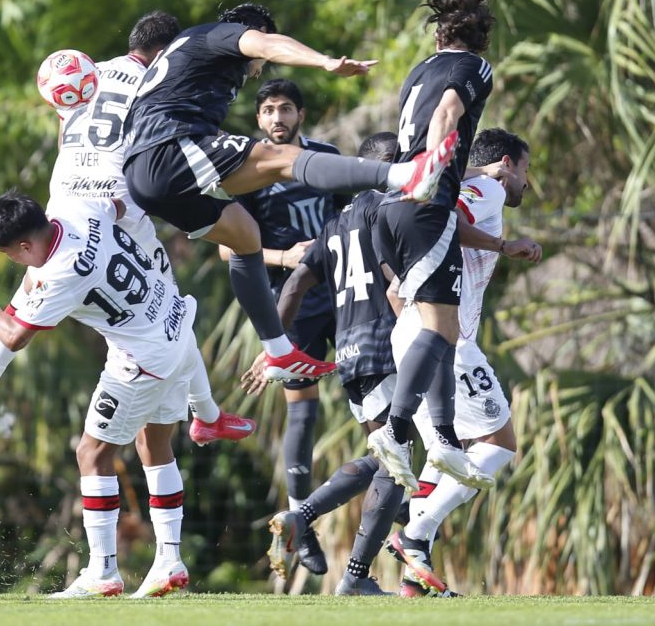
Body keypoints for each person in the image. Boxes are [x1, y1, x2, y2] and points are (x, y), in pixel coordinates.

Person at [123, 2, 460, 386]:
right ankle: (404, 175)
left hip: (143, 174)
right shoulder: (219, 35)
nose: (259, 69)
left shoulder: (189, 60)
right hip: (167, 152)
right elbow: (267, 46)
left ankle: (278, 350)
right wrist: (325, 62)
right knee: (283, 157)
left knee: (244, 236)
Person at [0, 191, 216, 599]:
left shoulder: (62, 272)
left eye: (11, 255)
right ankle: (169, 559)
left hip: (142, 360)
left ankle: (103, 571)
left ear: (25, 246)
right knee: (153, 444)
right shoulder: (74, 207)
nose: (15, 263)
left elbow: (14, 336)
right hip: (176, 327)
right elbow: (123, 205)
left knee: (91, 455)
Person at [45, 9, 256, 445]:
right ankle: (205, 414)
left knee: (165, 311)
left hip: (67, 207)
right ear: (165, 52)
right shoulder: (155, 80)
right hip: (120, 209)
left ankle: (206, 415)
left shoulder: (88, 73)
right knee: (166, 312)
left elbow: (66, 134)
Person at [387, 128, 541, 596]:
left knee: (443, 454)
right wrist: (503, 246)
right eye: (526, 170)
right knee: (500, 443)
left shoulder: (458, 184)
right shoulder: (489, 188)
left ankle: (414, 579)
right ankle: (415, 534)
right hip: (446, 341)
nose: (527, 182)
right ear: (507, 164)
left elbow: (395, 289)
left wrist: (417, 327)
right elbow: (447, 220)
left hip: (411, 336)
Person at [255, 133, 406, 595]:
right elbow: (395, 281)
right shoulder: (386, 208)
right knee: (394, 462)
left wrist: (274, 346)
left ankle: (311, 523)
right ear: (390, 164)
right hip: (385, 346)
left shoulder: (334, 223)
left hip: (349, 352)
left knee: (387, 457)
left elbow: (294, 285)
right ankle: (347, 565)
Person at [368, 0, 499, 495]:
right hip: (426, 205)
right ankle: (397, 431)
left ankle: (443, 439)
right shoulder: (475, 68)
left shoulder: (417, 70)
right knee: (443, 330)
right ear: (480, 37)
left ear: (438, 33)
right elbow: (447, 112)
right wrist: (435, 166)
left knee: (440, 326)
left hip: (393, 207)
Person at [218, 78, 348, 574]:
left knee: (373, 398)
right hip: (292, 301)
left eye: (286, 108)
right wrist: (283, 256)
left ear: (301, 114)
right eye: (269, 109)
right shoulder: (247, 169)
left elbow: (351, 215)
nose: (278, 117)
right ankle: (301, 523)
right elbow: (227, 247)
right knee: (303, 412)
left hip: (344, 291)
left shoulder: (324, 157)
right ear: (258, 119)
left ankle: (397, 495)